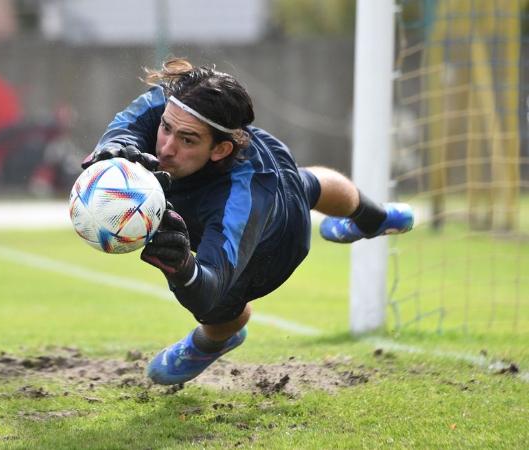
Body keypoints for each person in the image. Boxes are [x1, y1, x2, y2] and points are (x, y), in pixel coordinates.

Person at [81, 58, 414, 385]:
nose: (166, 147)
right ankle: (375, 218)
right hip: (253, 175)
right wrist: (117, 149)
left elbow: (209, 290)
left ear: (220, 149)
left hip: (275, 242)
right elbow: (123, 128)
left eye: (187, 140)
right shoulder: (171, 105)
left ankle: (213, 342)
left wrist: (183, 269)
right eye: (166, 129)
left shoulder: (244, 197)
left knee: (223, 304)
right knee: (310, 183)